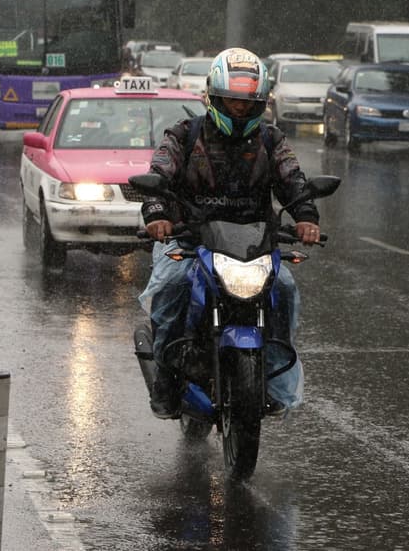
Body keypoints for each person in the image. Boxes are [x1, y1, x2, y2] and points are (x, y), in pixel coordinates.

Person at [137, 47, 322, 419]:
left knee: (284, 290)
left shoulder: (271, 140)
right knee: (172, 288)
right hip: (192, 241)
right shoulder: (185, 135)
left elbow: (292, 180)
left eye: (247, 103)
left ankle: (273, 372)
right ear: (213, 97)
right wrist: (158, 214)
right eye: (231, 101)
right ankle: (167, 379)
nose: (239, 109)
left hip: (256, 246)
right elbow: (159, 175)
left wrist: (306, 216)